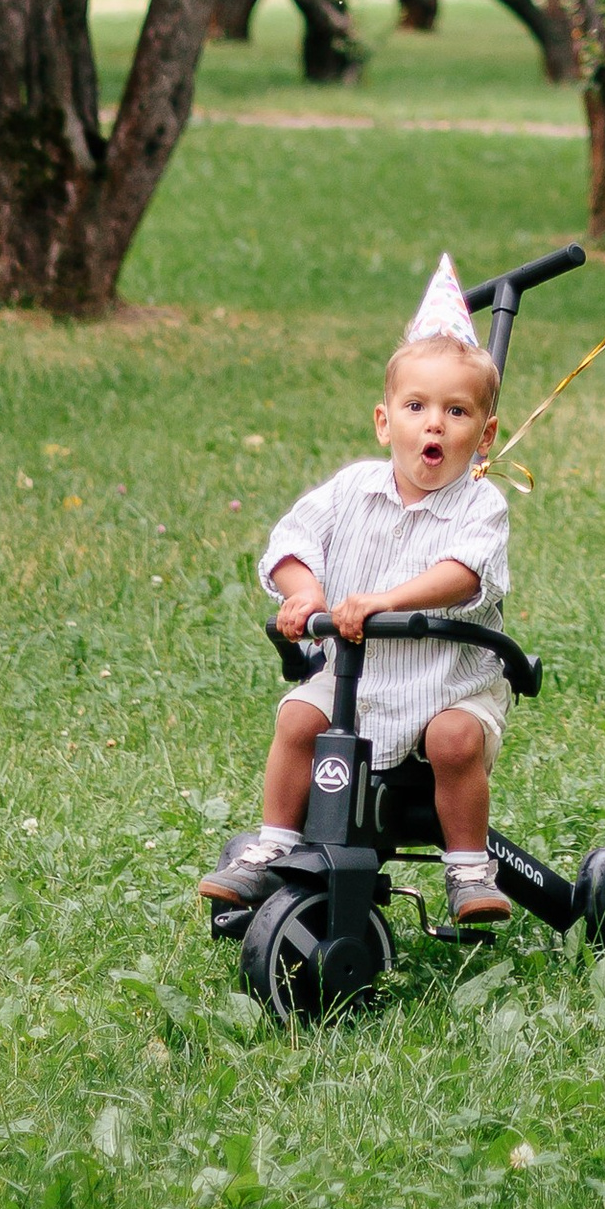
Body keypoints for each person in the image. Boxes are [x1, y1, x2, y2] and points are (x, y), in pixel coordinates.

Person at [200, 263, 515, 927]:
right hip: (354, 674)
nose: (434, 426)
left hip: (451, 679)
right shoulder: (351, 490)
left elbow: (462, 575)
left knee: (454, 741)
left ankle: (467, 868)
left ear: (483, 437)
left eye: (456, 412)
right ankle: (274, 846)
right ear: (384, 422)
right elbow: (291, 543)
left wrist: (381, 601)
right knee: (297, 720)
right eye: (417, 407)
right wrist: (304, 592)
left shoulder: (480, 505)